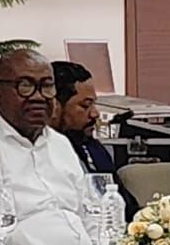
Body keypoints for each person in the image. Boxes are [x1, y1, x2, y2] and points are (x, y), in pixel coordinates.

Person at [0, 49, 92, 245]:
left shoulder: (60, 144)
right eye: (25, 86)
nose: (38, 97)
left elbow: (89, 213)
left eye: (47, 86)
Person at [50, 61, 139, 220]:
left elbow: (127, 207)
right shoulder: (43, 154)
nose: (95, 114)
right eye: (85, 106)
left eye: (94, 104)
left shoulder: (92, 147)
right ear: (54, 107)